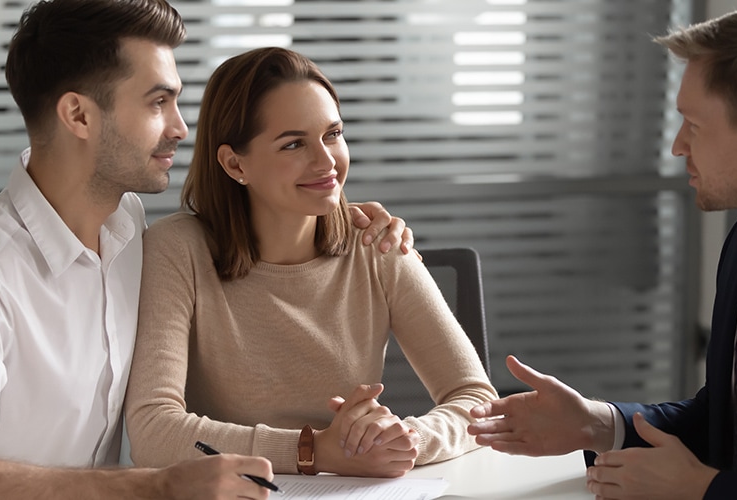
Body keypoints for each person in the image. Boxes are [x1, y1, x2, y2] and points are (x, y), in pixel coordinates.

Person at [0, 1, 415, 498]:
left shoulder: (127, 225)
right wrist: (156, 487)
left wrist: (336, 211)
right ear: (79, 115)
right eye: (158, 102)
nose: (181, 128)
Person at [467, 6, 737, 500]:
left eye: (693, 125)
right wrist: (598, 424)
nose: (677, 146)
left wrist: (706, 491)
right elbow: (731, 419)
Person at [123, 46, 498, 479]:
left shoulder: (375, 243)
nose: (327, 162)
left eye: (333, 134)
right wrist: (313, 450)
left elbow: (475, 398)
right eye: (294, 144)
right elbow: (153, 429)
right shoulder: (177, 249)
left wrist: (402, 440)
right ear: (233, 163)